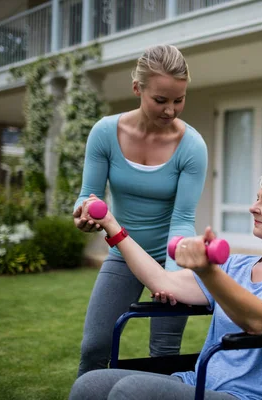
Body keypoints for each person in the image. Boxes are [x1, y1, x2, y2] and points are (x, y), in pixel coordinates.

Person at [69, 167, 262, 400]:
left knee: (131, 391)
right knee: (90, 385)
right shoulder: (235, 266)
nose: (253, 207)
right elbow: (163, 281)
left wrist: (207, 271)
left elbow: (260, 320)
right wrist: (113, 226)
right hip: (199, 383)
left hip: (253, 395)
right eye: (257, 199)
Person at [72, 44, 208, 378]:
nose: (171, 110)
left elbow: (183, 219)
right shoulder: (105, 133)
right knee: (94, 346)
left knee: (163, 354)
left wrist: (172, 277)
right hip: (124, 251)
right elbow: (86, 197)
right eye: (160, 100)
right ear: (137, 89)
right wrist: (84, 213)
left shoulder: (192, 146)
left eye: (179, 99)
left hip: (172, 256)